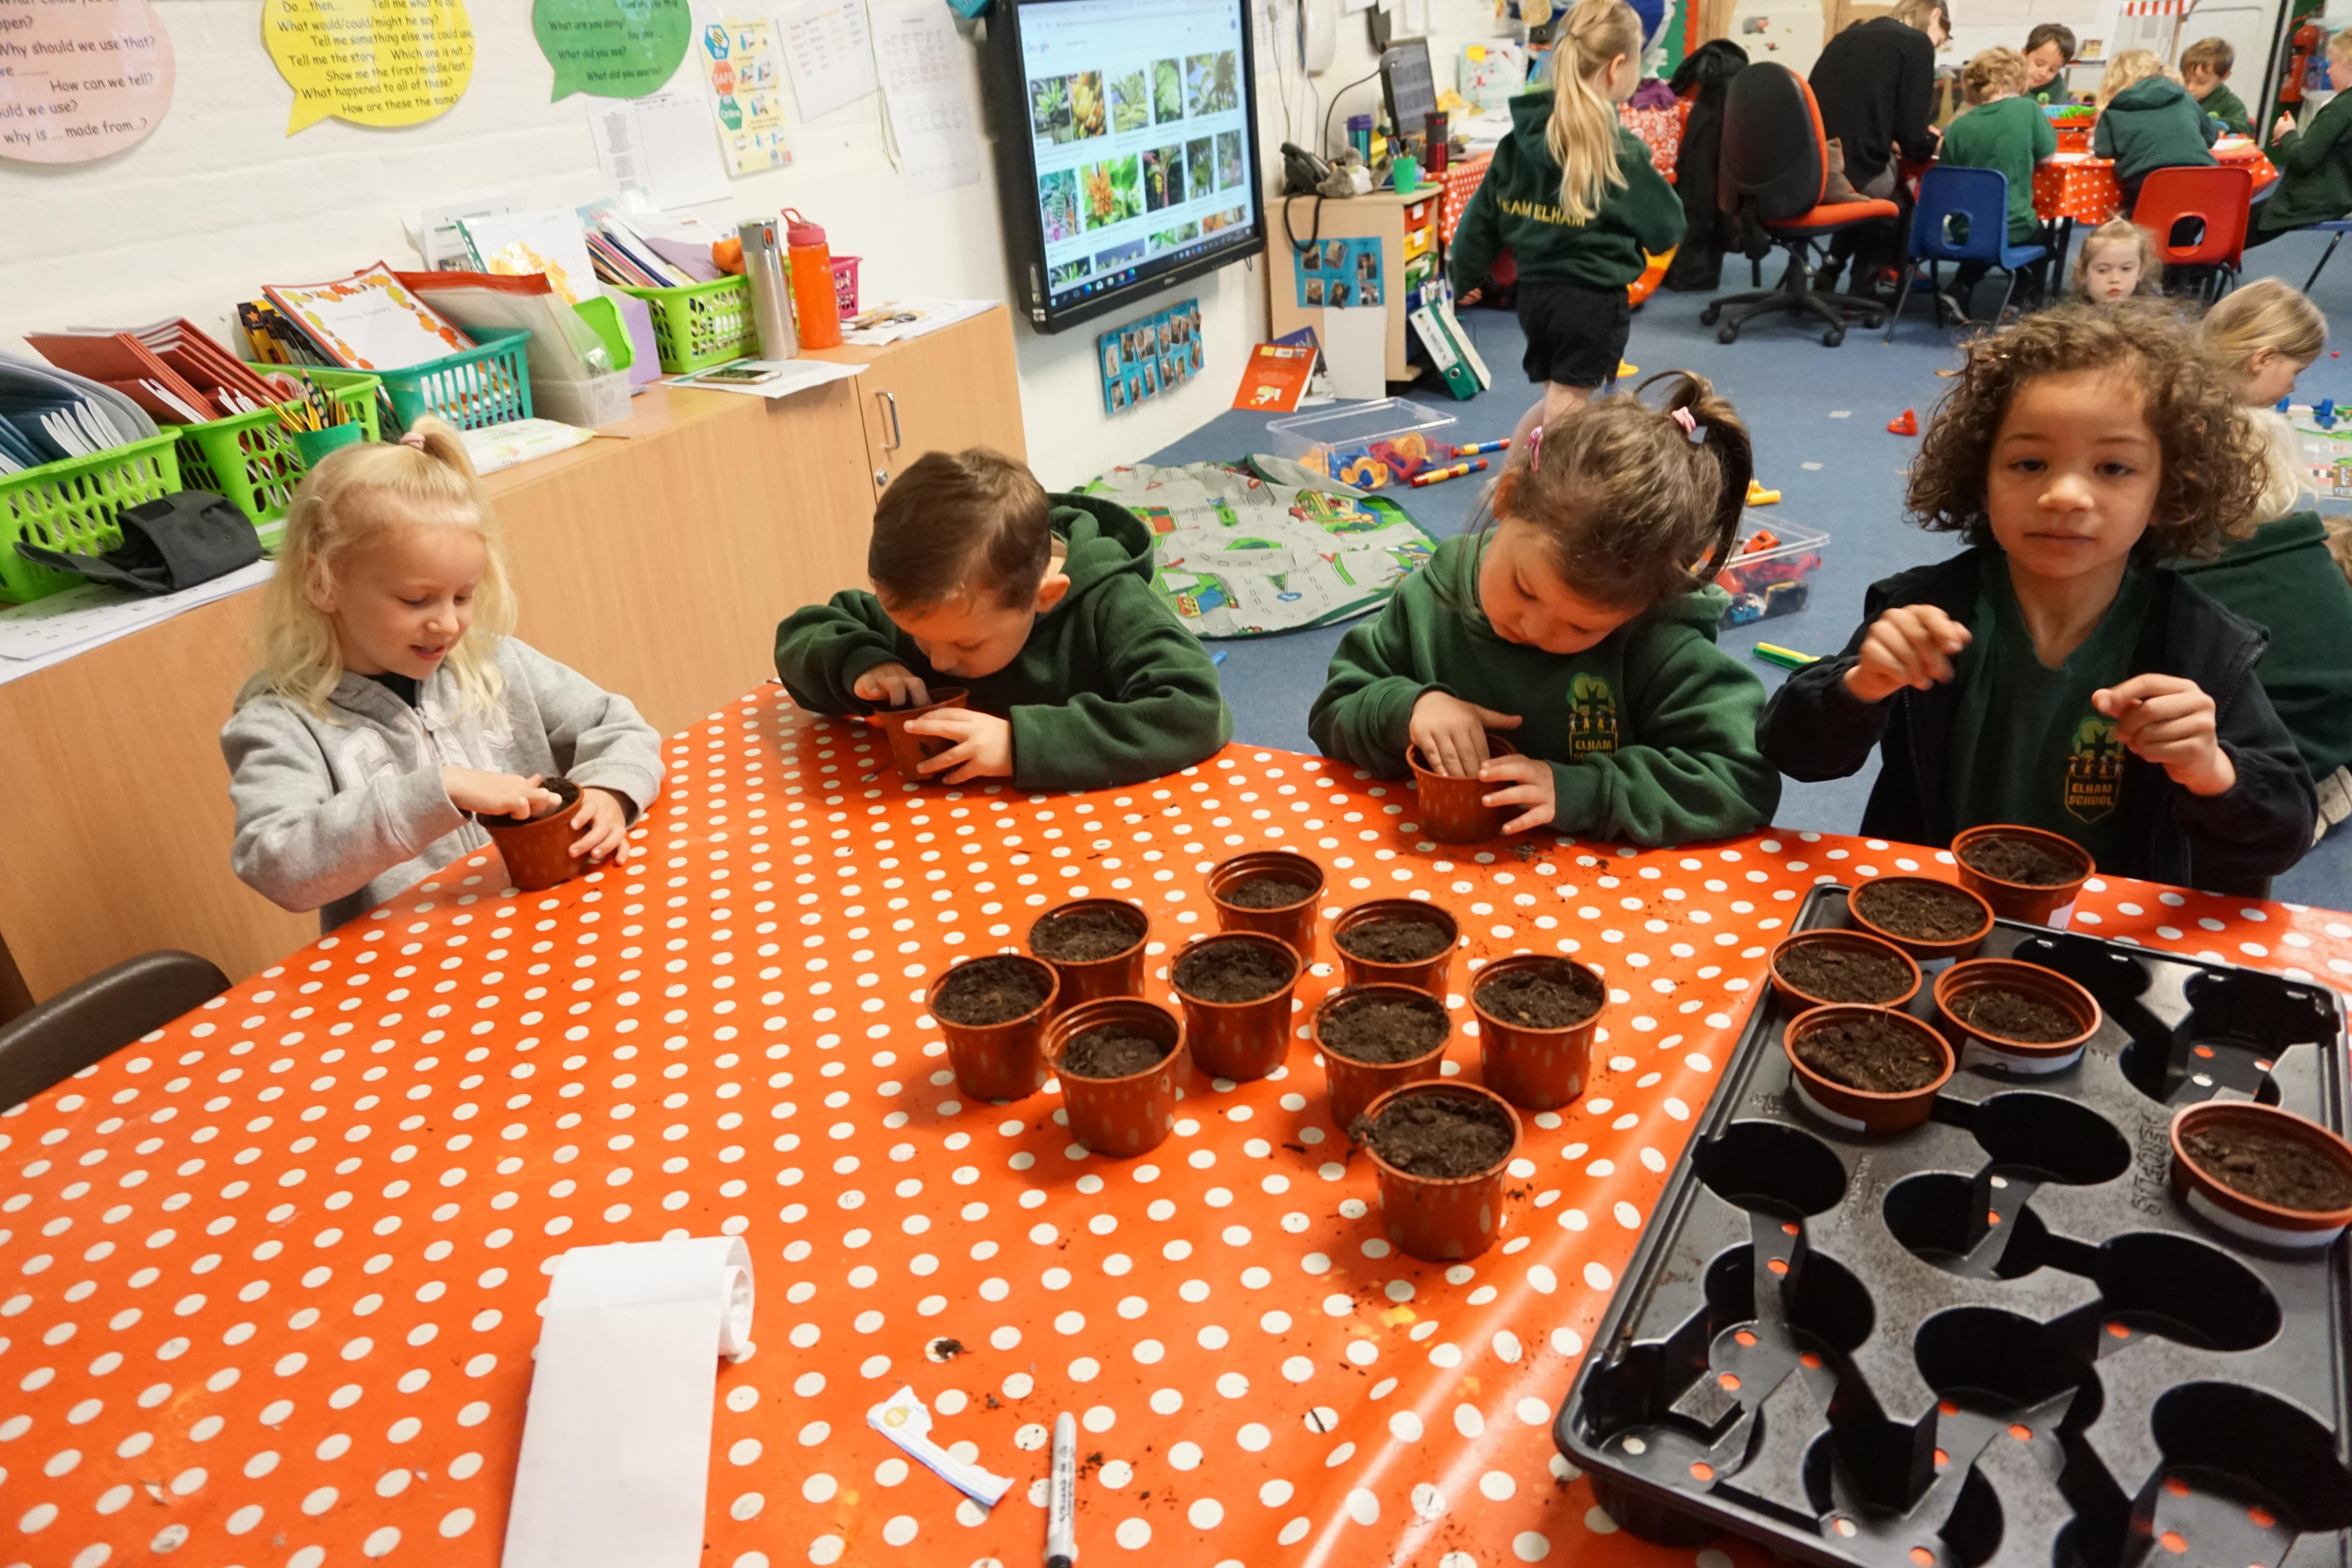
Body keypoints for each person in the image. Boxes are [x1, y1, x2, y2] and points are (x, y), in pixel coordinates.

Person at [1760, 302, 2314, 895]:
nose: (2065, 495)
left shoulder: (2200, 644)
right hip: (1939, 909)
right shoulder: (1926, 609)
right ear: (1982, 480)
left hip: (2108, 928)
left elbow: (2282, 834)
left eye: (2114, 467)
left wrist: (2211, 769)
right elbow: (1792, 751)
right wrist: (1860, 686)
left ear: (2168, 490)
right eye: (2029, 463)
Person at [222, 419, 664, 932]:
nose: (449, 624)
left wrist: (611, 793)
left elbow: (619, 726)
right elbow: (276, 865)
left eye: (463, 596)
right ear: (321, 581)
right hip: (415, 965)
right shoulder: (281, 721)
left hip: (557, 929)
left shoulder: (495, 661)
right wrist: (438, 792)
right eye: (417, 600)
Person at [1308, 374, 1780, 846]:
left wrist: (1590, 791)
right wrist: (1409, 708)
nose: (1531, 626)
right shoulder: (1432, 598)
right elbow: (1334, 709)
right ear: (1507, 499)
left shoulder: (1659, 642)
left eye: (1580, 626)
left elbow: (1742, 778)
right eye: (1526, 589)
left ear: (1643, 608)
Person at [774, 446, 1229, 790]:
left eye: (967, 645)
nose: (936, 661)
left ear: (1044, 597)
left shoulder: (1111, 604)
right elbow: (804, 631)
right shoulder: (933, 610)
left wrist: (1021, 745)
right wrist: (863, 663)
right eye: (919, 639)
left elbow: (1197, 710)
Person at [1449, 0, 1684, 439]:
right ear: (1616, 68)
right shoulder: (1619, 152)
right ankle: (1550, 482)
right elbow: (1667, 228)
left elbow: (1479, 222)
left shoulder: (1516, 143)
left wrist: (1462, 277)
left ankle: (1516, 473)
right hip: (1591, 302)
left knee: (1558, 399)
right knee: (1568, 410)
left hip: (1534, 298)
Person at [2180, 280, 2352, 833]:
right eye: (2294, 372)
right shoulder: (2246, 452)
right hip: (2270, 767)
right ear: (2262, 358)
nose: (2294, 385)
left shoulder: (2171, 400)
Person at [1809, 0, 1949, 293]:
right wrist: (1934, 142)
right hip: (1855, 171)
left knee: (1861, 192)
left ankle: (1830, 271)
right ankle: (1863, 289)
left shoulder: (1845, 38)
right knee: (1898, 199)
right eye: (1940, 42)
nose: (1934, 48)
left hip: (1812, 169)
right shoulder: (1917, 43)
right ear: (1935, 15)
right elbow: (1913, 139)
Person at [1937, 47, 2059, 319]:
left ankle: (1961, 288)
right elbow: (2048, 156)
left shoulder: (1957, 128)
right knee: (2045, 244)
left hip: (1965, 228)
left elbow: (1946, 179)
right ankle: (2019, 303)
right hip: (2013, 224)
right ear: (2018, 80)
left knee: (1986, 235)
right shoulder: (2027, 109)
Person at [2246, 29, 2352, 248]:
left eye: (2332, 64)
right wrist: (2290, 140)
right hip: (2340, 193)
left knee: (2234, 227)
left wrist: (2288, 134)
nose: (2328, 71)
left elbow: (2302, 159)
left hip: (2319, 199)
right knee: (2243, 218)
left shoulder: (2341, 108)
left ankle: (2203, 263)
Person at [2092, 51, 2218, 212]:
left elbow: (2103, 151)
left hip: (2148, 187)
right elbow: (2211, 137)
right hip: (2205, 184)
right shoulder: (2186, 100)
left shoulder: (2114, 111)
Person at [2069, 217, 2161, 300]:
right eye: (2103, 270)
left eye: (2126, 269)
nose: (2115, 279)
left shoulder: (2156, 310)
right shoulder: (2070, 313)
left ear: (2141, 271)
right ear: (2083, 273)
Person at [2180, 36, 2254, 137]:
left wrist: (2220, 125)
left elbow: (2246, 128)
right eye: (2187, 81)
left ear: (2224, 77)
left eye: (2202, 82)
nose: (2190, 88)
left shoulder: (2231, 104)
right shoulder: (2177, 96)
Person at [2023, 22, 2076, 106]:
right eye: (2039, 64)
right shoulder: (2008, 77)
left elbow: (2060, 111)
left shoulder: (2057, 88)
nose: (2043, 74)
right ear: (2024, 54)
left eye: (2053, 70)